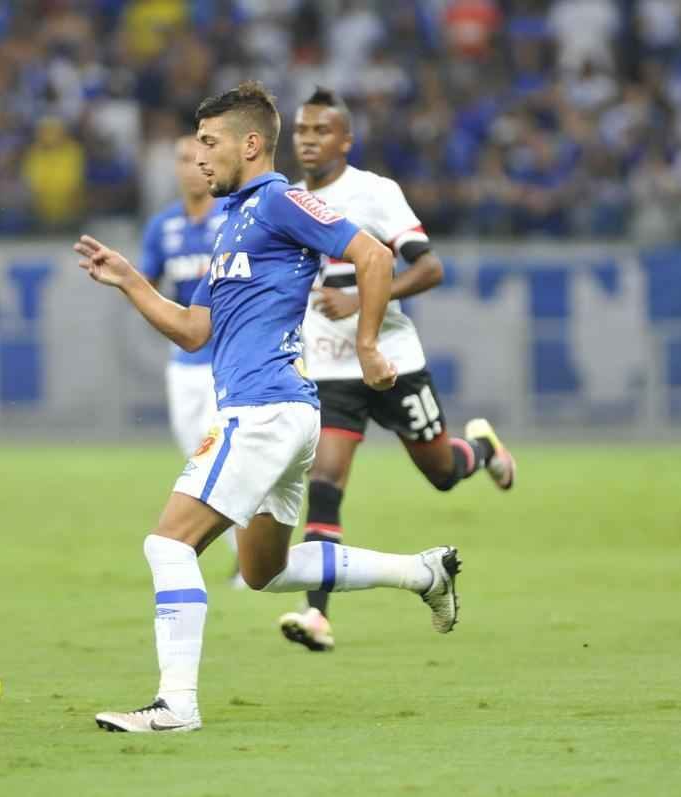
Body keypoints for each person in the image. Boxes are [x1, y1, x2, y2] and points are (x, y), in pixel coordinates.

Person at [74, 81, 462, 734]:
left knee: (167, 545)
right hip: (283, 413)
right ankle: (422, 572)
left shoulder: (280, 200)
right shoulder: (234, 223)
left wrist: (367, 344)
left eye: (209, 143)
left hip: (262, 410)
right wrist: (131, 281)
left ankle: (176, 705)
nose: (199, 158)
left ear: (251, 145)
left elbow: (371, 255)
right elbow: (195, 329)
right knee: (264, 570)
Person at [276, 87, 516, 653]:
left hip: (392, 360)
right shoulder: (286, 200)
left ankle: (482, 450)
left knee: (441, 472)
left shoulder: (375, 193)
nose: (309, 140)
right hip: (330, 369)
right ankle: (317, 616)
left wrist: (360, 300)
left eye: (321, 131)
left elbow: (429, 269)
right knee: (325, 484)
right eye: (302, 130)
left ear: (346, 140)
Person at [138, 133, 243, 584]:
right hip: (185, 362)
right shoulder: (163, 226)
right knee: (196, 455)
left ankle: (249, 557)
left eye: (202, 155)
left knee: (224, 459)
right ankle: (245, 551)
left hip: (232, 360)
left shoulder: (233, 217)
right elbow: (146, 284)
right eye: (184, 158)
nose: (194, 164)